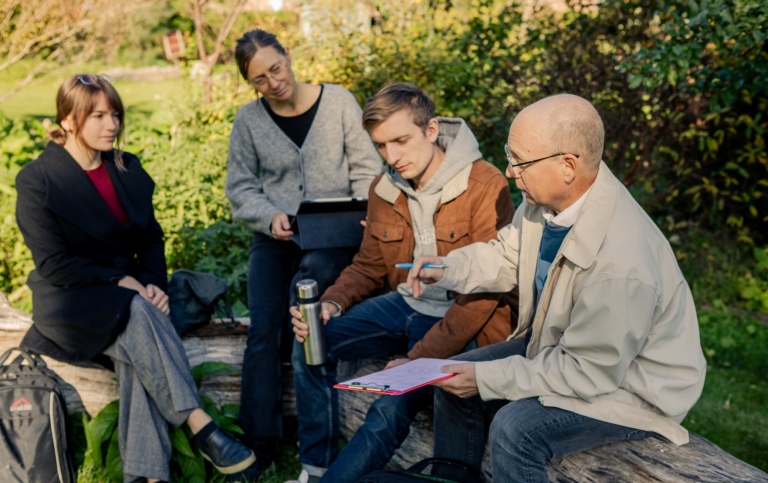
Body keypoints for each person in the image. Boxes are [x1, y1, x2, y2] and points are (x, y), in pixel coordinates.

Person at [406, 94, 708, 482]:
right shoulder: (543, 203)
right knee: (450, 379)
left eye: (519, 160)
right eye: (508, 155)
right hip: (560, 348)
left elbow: (588, 372)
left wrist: (486, 379)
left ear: (568, 166)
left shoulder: (620, 261)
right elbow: (507, 257)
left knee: (516, 430)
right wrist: (444, 267)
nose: (510, 172)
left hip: (633, 387)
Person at [16, 74, 255, 483]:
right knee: (139, 314)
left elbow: (151, 238)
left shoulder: (126, 167)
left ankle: (147, 478)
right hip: (71, 299)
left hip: (132, 296)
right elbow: (53, 262)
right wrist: (121, 283)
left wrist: (153, 285)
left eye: (115, 114)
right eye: (97, 115)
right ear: (69, 120)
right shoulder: (38, 179)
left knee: (137, 350)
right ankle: (202, 428)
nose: (111, 125)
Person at [288, 83, 518, 483]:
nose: (392, 157)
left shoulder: (484, 184)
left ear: (431, 130)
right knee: (310, 338)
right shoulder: (384, 186)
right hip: (406, 305)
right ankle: (316, 464)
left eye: (400, 140)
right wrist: (331, 304)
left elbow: (487, 293)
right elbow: (368, 264)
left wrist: (415, 362)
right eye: (381, 145)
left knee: (389, 404)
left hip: (463, 315)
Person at [224, 29, 382, 473]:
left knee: (305, 304)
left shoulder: (338, 102)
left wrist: (363, 224)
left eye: (276, 68)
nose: (273, 82)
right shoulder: (248, 121)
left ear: (288, 56)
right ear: (250, 84)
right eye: (259, 79)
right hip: (277, 236)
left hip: (333, 237)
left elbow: (367, 172)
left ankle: (316, 454)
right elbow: (240, 188)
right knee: (263, 328)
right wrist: (268, 214)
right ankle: (260, 447)